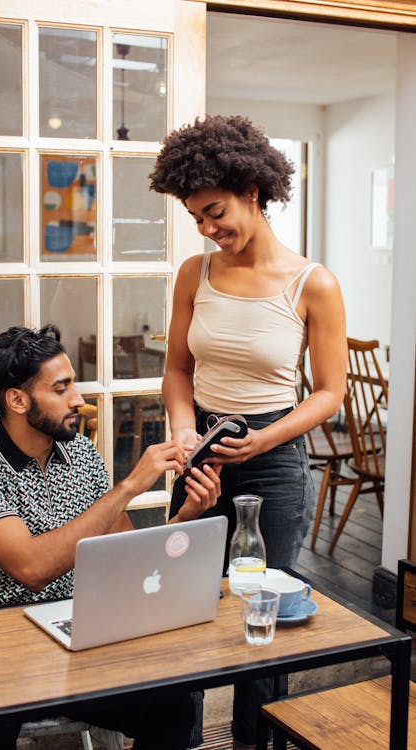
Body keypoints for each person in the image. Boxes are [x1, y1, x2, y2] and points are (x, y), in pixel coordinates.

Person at [149, 114, 347, 749]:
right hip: (203, 450)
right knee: (185, 604)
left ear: (254, 192)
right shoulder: (194, 273)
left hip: (275, 453)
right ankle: (177, 738)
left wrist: (265, 439)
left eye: (216, 213)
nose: (209, 230)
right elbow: (178, 369)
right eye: (198, 220)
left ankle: (253, 742)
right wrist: (184, 433)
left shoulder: (312, 283)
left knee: (265, 609)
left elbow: (329, 393)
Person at [0, 324, 222, 750]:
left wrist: (187, 514)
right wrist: (129, 487)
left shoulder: (81, 455)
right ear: (17, 400)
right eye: (62, 389)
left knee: (175, 702)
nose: (79, 400)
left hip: (77, 634)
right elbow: (32, 568)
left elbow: (127, 557)